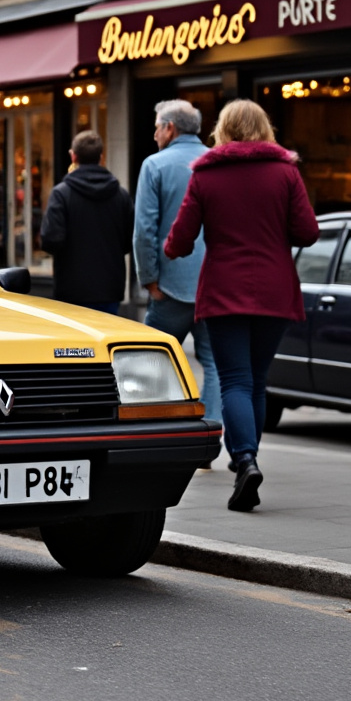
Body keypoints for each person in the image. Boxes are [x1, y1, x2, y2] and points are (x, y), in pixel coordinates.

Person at [165, 99, 319, 512]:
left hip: (223, 290)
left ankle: (245, 459)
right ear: (264, 128)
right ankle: (246, 458)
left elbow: (181, 239)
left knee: (234, 378)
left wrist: (169, 249)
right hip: (274, 289)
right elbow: (307, 231)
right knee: (256, 378)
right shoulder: (286, 171)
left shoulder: (206, 174)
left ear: (224, 130)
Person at [133, 100, 221, 457]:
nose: (154, 133)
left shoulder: (154, 165)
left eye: (157, 126)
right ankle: (210, 441)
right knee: (214, 363)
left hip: (170, 285)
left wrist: (150, 280)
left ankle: (152, 436)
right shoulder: (216, 162)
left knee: (152, 360)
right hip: (214, 282)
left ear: (170, 128)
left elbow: (144, 231)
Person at [40, 130, 133, 314]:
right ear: (101, 157)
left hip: (71, 289)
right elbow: (129, 241)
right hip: (109, 288)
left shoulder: (61, 194)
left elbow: (50, 240)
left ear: (73, 156)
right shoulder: (120, 195)